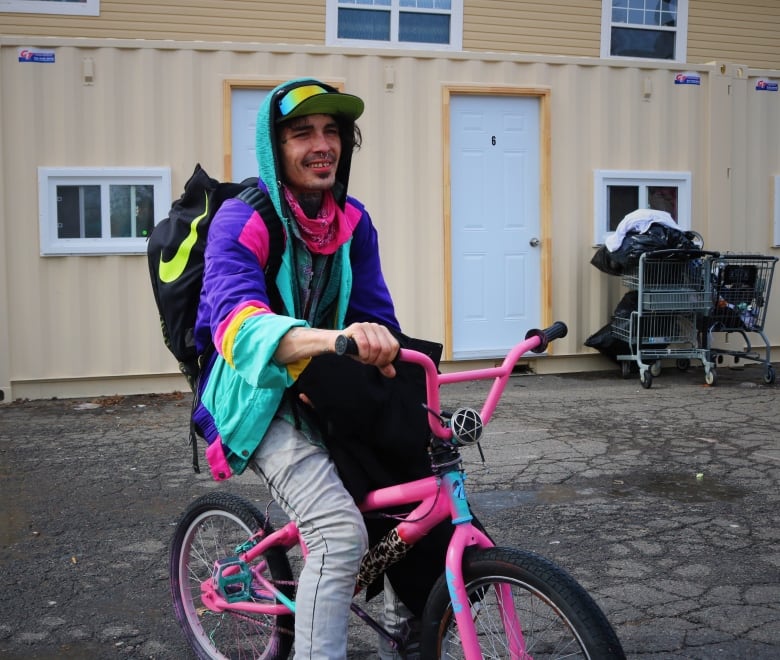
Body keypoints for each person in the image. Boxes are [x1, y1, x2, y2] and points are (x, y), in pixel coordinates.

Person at [191, 78, 415, 659]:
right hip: (255, 393)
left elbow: (375, 317)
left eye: (332, 131)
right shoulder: (243, 218)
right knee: (339, 535)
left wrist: (378, 344)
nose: (322, 145)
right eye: (302, 133)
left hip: (326, 383)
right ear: (274, 145)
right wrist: (334, 340)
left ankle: (412, 632)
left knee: (406, 501)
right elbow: (237, 328)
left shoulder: (353, 222)